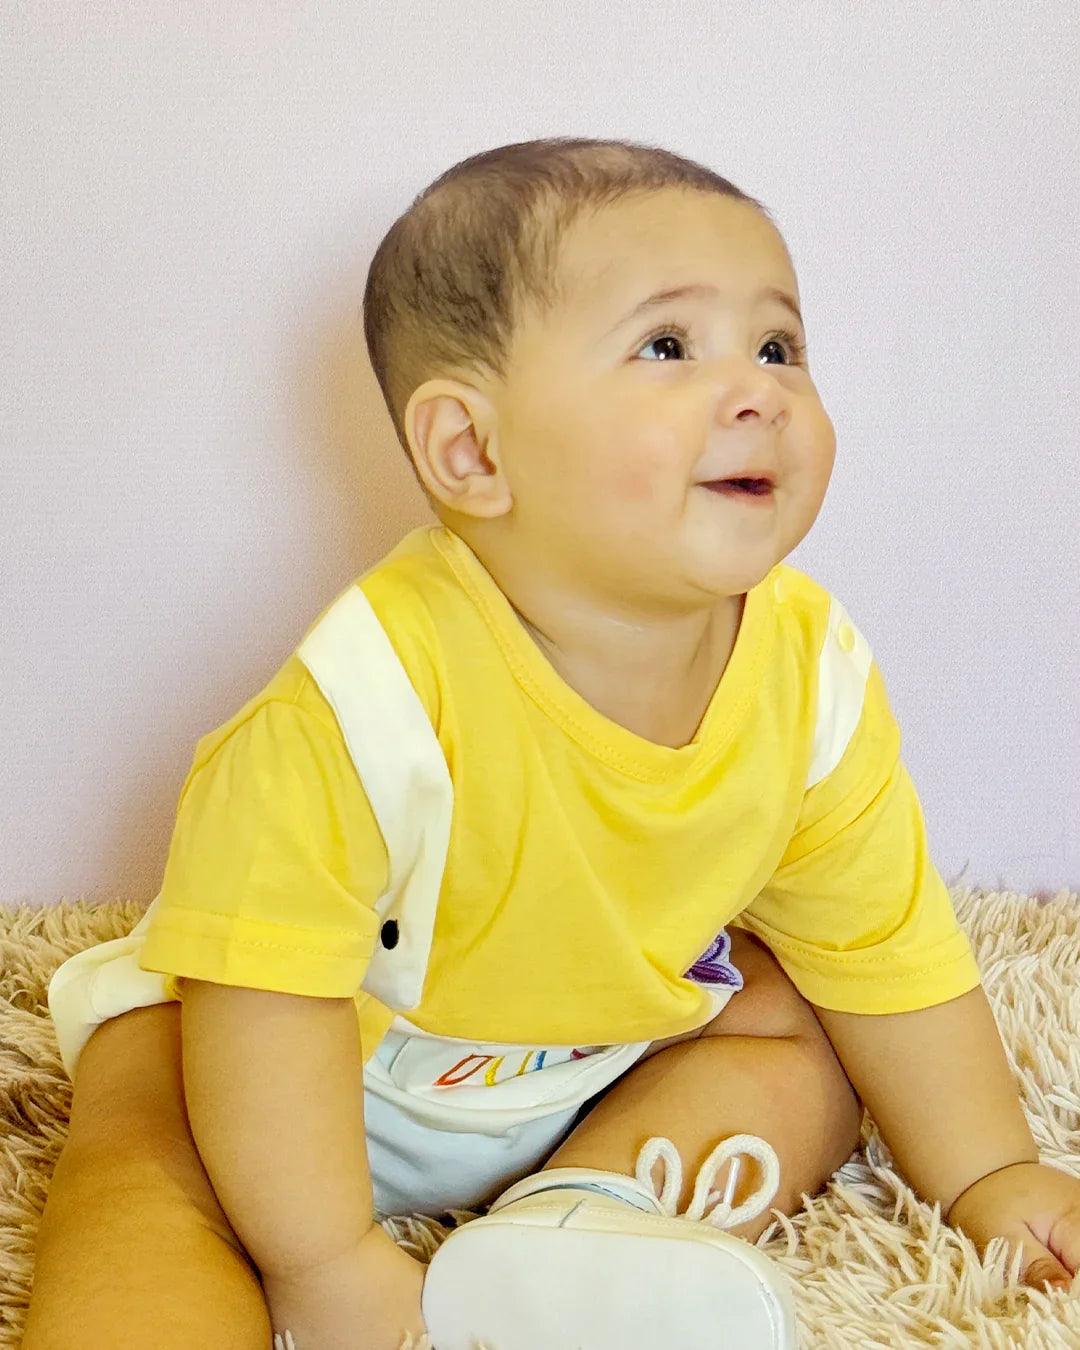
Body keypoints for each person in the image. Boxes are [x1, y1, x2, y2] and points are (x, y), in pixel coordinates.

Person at [23, 137, 1078, 1350]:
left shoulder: (811, 672)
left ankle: (582, 1220)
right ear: (472, 452)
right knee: (140, 1154)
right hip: (305, 1065)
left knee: (810, 1032)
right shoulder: (364, 698)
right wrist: (324, 1263)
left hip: (580, 1065)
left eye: (778, 345)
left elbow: (888, 948)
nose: (760, 390)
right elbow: (266, 999)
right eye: (669, 347)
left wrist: (991, 1170)